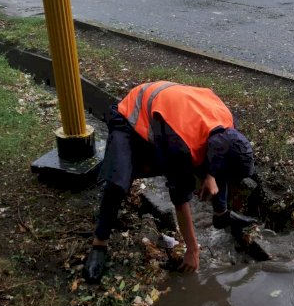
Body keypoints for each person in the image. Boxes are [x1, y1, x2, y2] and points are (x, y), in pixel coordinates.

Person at [85, 81, 256, 283]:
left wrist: (211, 176)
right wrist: (192, 250)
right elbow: (179, 199)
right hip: (130, 114)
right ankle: (99, 243)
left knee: (219, 169)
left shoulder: (228, 125)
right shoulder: (179, 145)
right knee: (120, 178)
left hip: (169, 113)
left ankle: (221, 216)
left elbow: (218, 161)